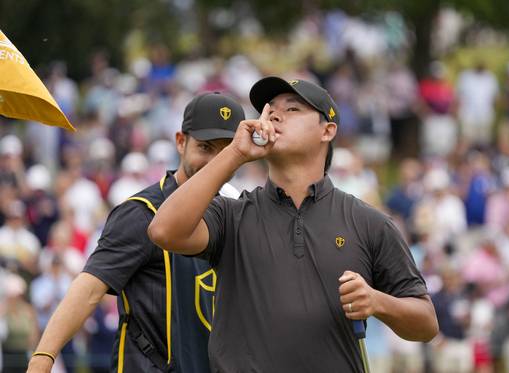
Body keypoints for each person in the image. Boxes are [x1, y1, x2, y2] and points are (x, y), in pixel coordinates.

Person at [149, 77, 439, 372]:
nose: (274, 115)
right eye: (270, 109)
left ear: (327, 131)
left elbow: (426, 323)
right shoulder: (231, 215)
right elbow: (163, 231)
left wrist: (377, 302)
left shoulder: (368, 222)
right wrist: (234, 154)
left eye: (293, 109)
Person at [26, 92, 245, 373]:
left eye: (226, 151)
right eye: (204, 147)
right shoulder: (141, 212)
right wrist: (43, 358)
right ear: (180, 141)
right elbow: (90, 287)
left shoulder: (236, 211)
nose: (215, 161)